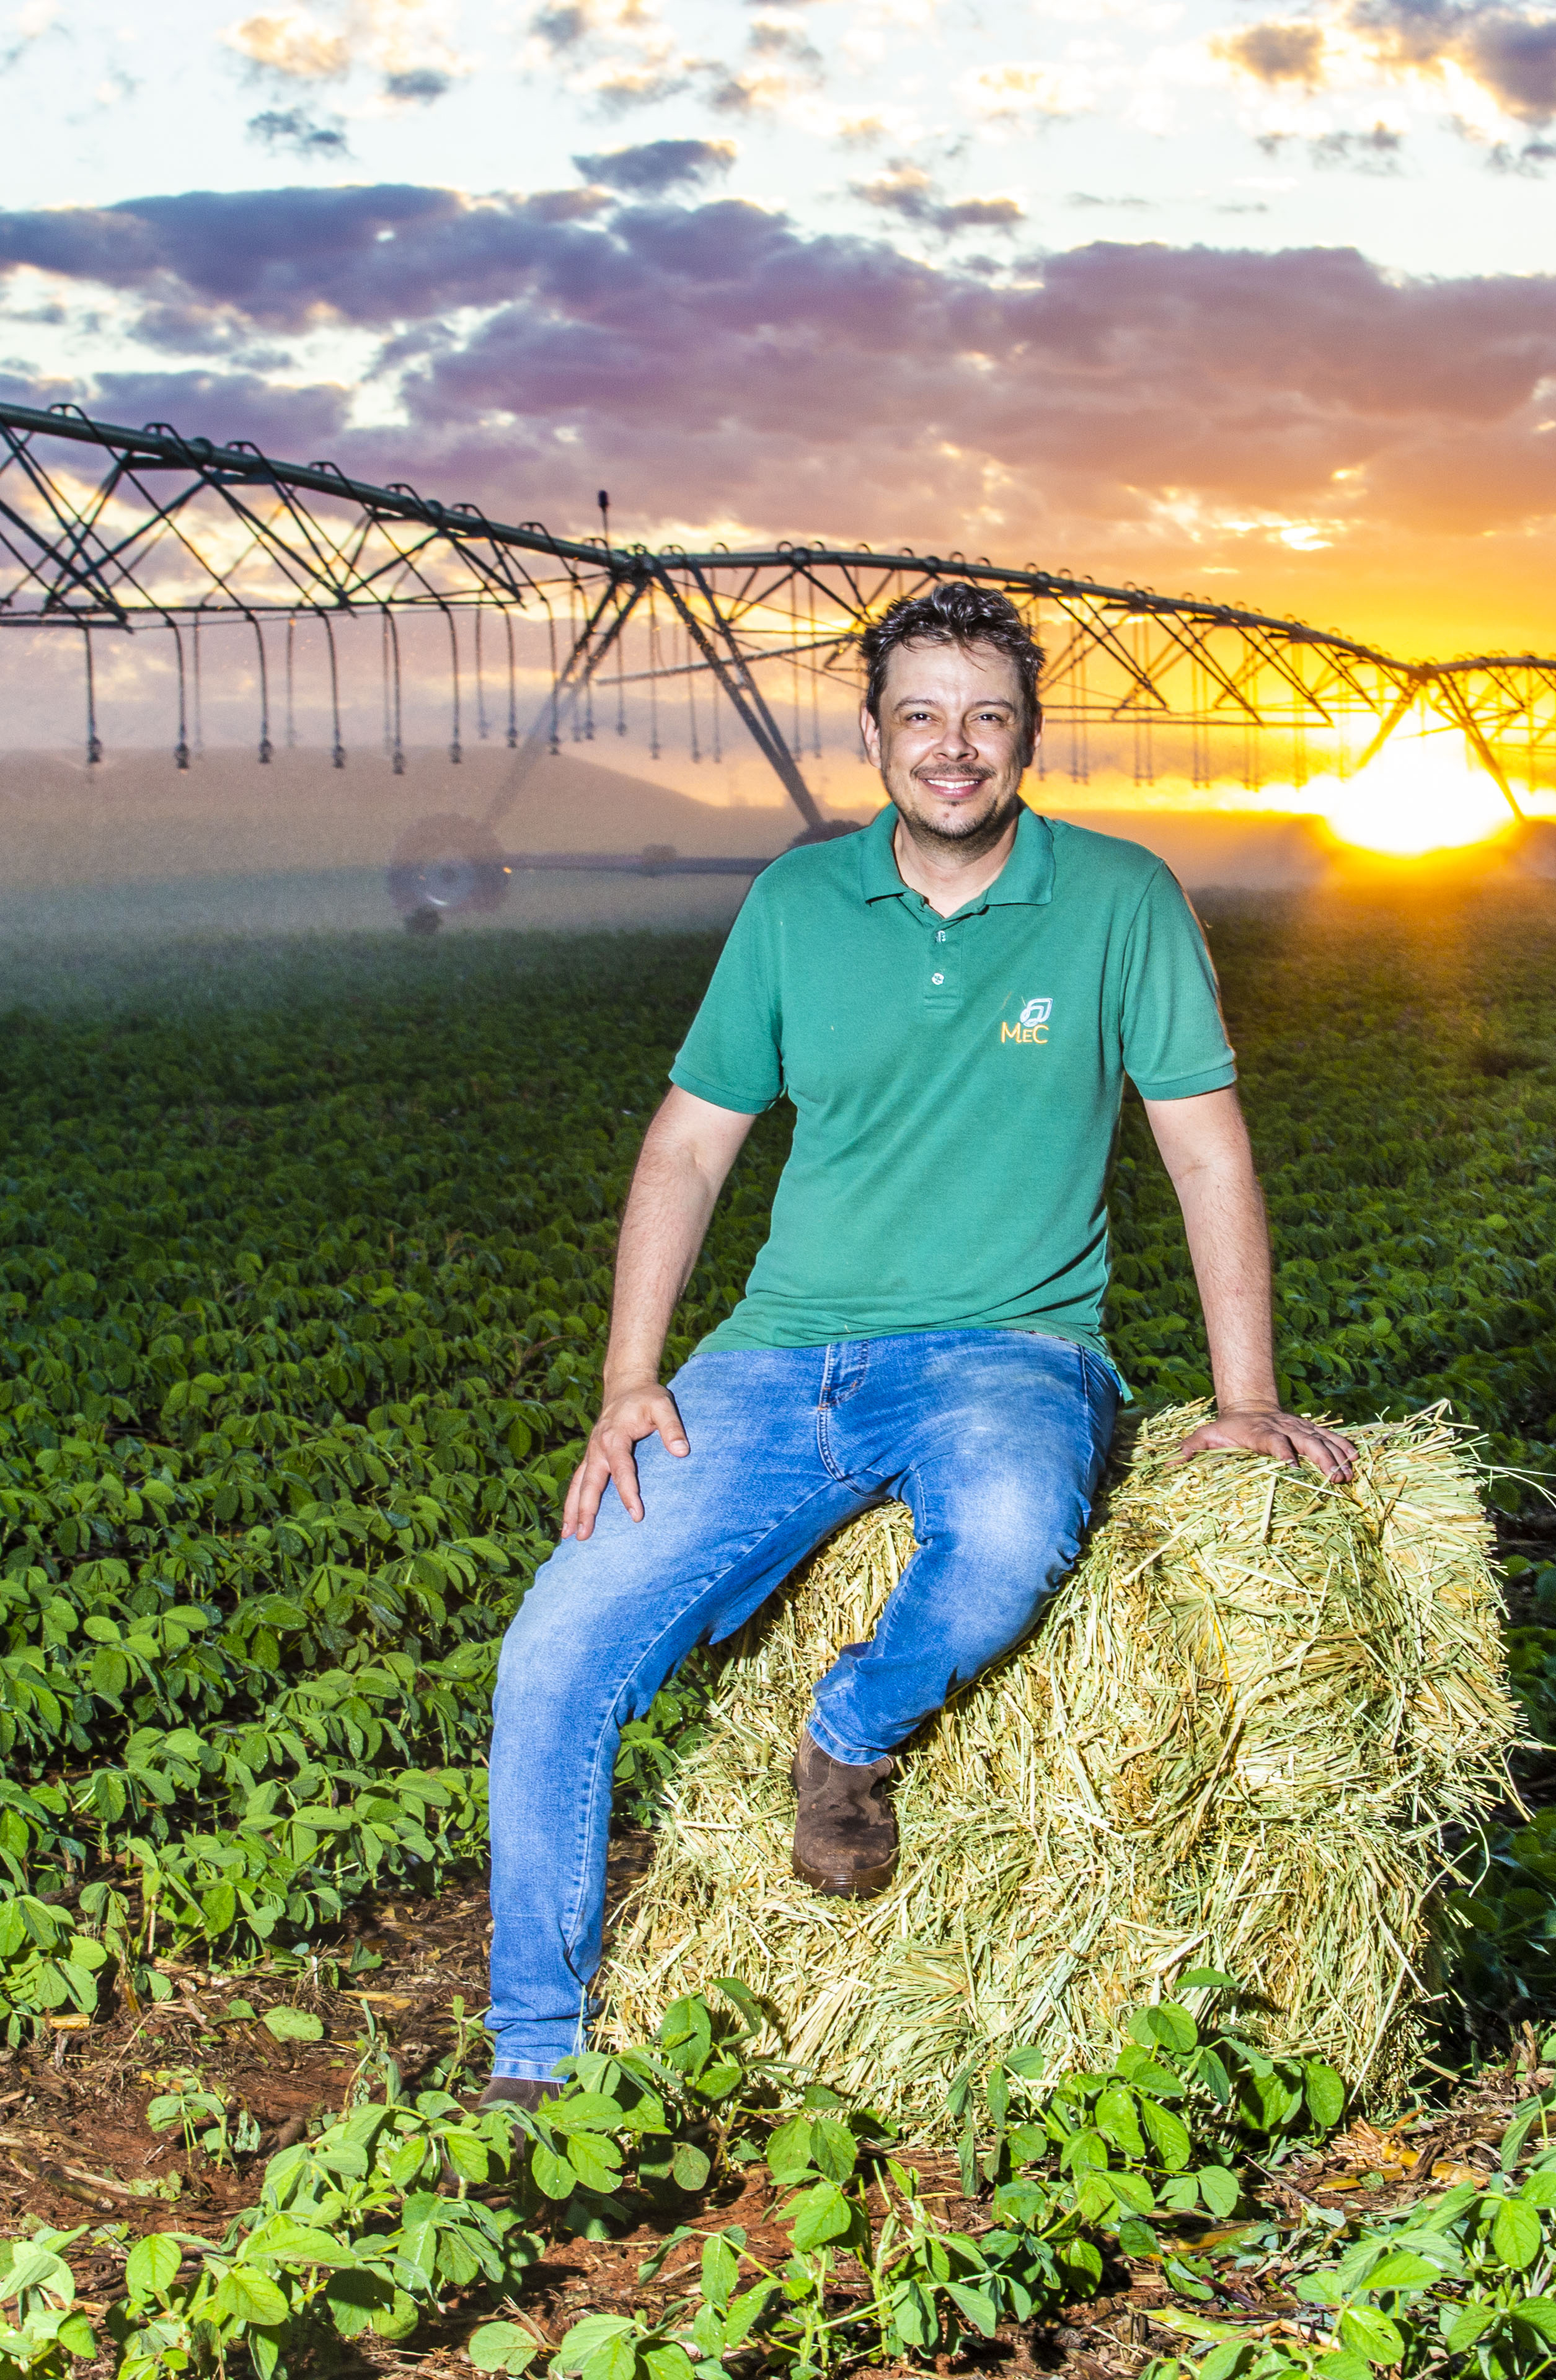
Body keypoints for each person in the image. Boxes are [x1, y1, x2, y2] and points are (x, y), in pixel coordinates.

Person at [479, 580, 1351, 2106]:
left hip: (1008, 1353)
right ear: (875, 733)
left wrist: (1246, 1398)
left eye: (988, 718)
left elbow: (1208, 1153)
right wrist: (631, 1380)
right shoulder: (795, 906)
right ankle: (533, 2061)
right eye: (922, 717)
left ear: (1028, 736)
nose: (955, 749)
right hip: (772, 1362)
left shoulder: (1121, 898)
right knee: (553, 1657)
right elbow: (687, 1150)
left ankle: (848, 1726)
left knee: (1014, 1528)